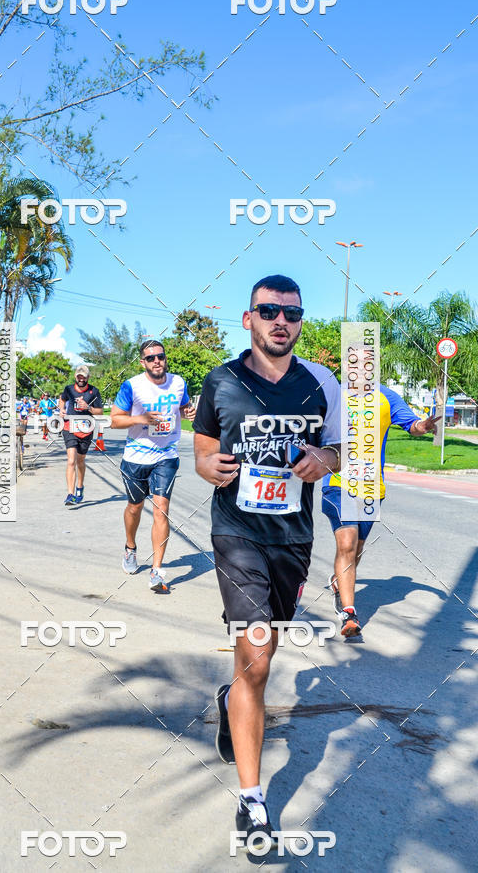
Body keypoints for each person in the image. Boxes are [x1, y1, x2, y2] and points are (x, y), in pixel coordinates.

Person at [193, 274, 341, 849]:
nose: (282, 321)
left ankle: (233, 698)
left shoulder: (318, 384)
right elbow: (204, 447)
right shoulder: (222, 381)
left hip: (292, 538)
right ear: (249, 317)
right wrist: (208, 468)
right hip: (235, 532)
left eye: (292, 313)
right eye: (269, 310)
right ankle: (253, 802)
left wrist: (322, 459)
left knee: (261, 653)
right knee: (256, 653)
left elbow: (336, 448)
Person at [322, 387, 440, 637]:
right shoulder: (333, 392)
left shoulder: (387, 397)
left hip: (372, 486)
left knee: (357, 548)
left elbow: (412, 425)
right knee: (347, 542)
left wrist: (425, 425)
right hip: (337, 482)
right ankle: (349, 613)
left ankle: (339, 581)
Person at [111, 339, 196, 593]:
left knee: (162, 509)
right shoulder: (132, 386)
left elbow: (182, 407)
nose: (156, 361)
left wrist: (187, 413)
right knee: (135, 508)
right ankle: (130, 547)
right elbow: (115, 420)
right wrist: (142, 419)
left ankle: (157, 571)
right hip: (136, 457)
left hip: (166, 455)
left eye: (160, 356)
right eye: (150, 358)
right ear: (143, 362)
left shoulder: (179, 383)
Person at [59, 365, 103, 506]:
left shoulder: (93, 391)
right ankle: (70, 494)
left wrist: (88, 408)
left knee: (80, 461)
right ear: (75, 377)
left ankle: (80, 487)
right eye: (79, 376)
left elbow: (100, 411)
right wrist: (61, 410)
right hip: (69, 427)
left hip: (86, 429)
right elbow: (62, 399)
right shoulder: (69, 389)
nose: (81, 378)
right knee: (71, 460)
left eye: (84, 376)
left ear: (88, 377)